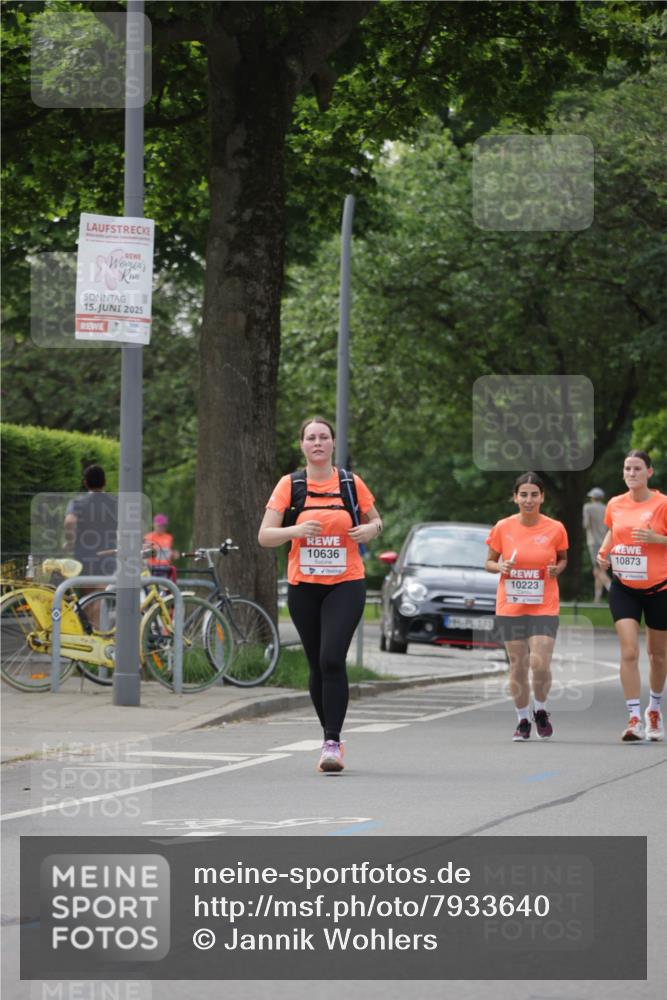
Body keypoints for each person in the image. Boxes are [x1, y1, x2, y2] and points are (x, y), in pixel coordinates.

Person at [258, 417, 383, 773]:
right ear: (302, 445)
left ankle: (332, 742)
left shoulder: (349, 482)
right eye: (311, 438)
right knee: (316, 664)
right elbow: (264, 535)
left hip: (346, 582)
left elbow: (377, 520)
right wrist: (296, 529)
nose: (317, 443)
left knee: (332, 659)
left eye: (323, 437)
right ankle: (330, 736)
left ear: (332, 444)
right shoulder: (290, 485)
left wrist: (369, 531)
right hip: (304, 587)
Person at [485, 472, 568, 742]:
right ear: (515, 497)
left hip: (544, 604)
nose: (529, 499)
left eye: (534, 494)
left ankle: (540, 710)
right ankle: (522, 719)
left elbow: (563, 558)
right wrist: (501, 566)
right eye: (524, 494)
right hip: (511, 605)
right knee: (518, 665)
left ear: (542, 497)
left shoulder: (555, 528)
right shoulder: (503, 527)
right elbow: (489, 562)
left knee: (539, 663)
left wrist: (558, 569)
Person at [596, 450, 667, 742]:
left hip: (659, 588)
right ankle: (634, 716)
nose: (631, 473)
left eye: (637, 468)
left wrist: (657, 539)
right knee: (628, 651)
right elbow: (614, 532)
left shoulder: (663, 504)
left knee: (657, 655)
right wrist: (604, 552)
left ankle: (654, 708)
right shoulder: (615, 503)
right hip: (624, 585)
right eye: (627, 468)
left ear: (649, 472)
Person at [63, 464, 118, 625]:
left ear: (85, 482)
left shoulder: (77, 503)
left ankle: (89, 634)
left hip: (83, 555)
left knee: (87, 598)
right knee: (99, 596)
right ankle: (96, 635)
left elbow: (70, 521)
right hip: (107, 555)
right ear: (105, 482)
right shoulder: (115, 503)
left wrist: (70, 541)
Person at [582, 487, 611, 603]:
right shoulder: (606, 508)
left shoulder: (587, 507)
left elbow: (585, 524)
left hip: (593, 542)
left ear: (592, 498)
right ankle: (597, 599)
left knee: (598, 571)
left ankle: (614, 592)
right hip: (605, 542)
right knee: (598, 570)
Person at [144, 513, 179, 582]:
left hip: (165, 568)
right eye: (159, 525)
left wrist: (173, 554)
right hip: (153, 567)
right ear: (154, 524)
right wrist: (153, 552)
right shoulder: (148, 537)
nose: (161, 528)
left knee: (165, 589)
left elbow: (170, 553)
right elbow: (145, 553)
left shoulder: (169, 537)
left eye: (163, 526)